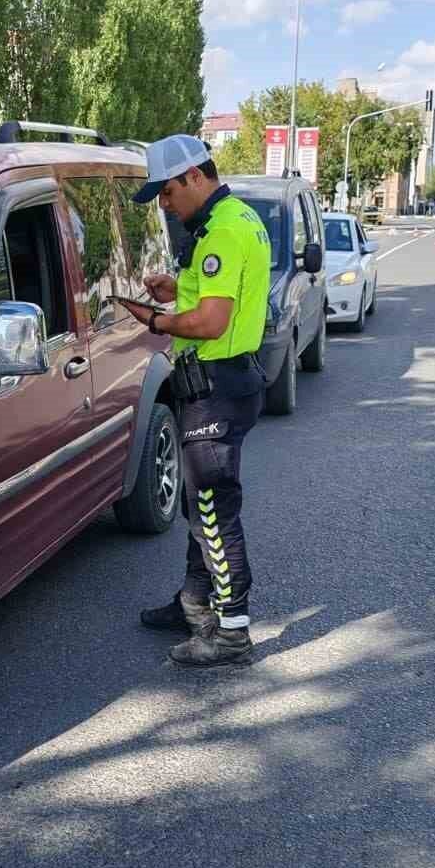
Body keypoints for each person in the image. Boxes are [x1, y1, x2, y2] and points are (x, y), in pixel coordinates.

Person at [121, 134, 271, 668]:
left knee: (211, 506)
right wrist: (177, 287)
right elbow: (212, 294)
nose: (164, 204)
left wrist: (155, 320)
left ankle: (231, 631)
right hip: (226, 383)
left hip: (216, 386)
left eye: (166, 192)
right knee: (198, 502)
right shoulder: (234, 219)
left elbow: (211, 322)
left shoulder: (223, 232)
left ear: (192, 177)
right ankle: (193, 602)